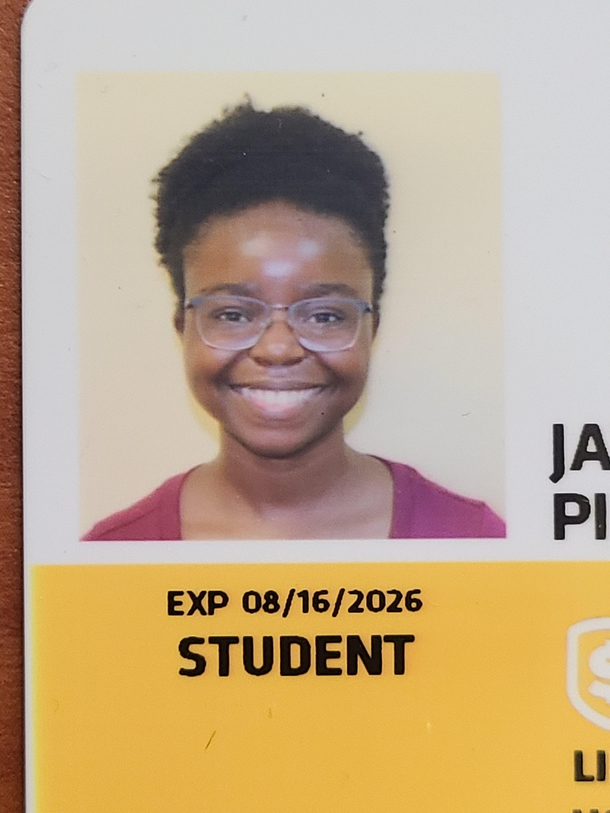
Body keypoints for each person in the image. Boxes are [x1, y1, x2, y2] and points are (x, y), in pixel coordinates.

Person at [83, 102, 505, 541]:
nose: (278, 349)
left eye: (324, 315)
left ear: (370, 329)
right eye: (233, 313)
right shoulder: (111, 555)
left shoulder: (471, 540)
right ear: (182, 328)